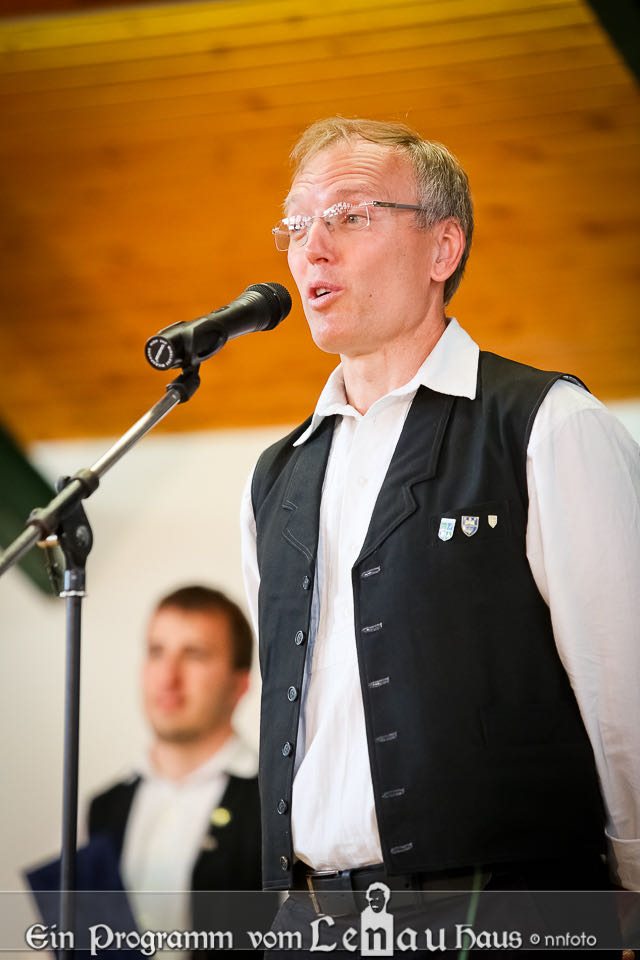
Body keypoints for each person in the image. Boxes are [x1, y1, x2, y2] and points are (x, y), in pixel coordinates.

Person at [240, 116, 640, 950]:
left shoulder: (546, 424)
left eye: (348, 215)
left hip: (502, 913)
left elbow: (623, 688)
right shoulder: (275, 476)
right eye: (296, 224)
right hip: (308, 924)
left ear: (442, 248)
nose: (311, 249)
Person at [88, 585, 267, 944]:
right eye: (157, 652)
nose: (168, 678)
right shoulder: (103, 808)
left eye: (194, 655)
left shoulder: (275, 807)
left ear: (240, 683)